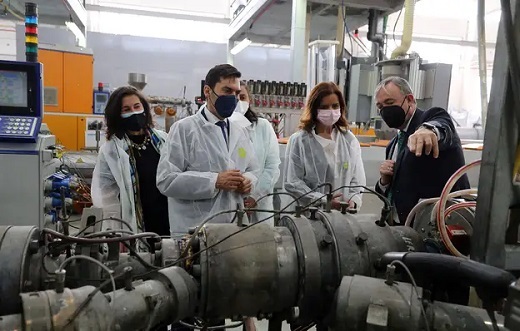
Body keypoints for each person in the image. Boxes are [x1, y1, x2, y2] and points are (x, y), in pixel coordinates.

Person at [156, 64, 258, 238]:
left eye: (235, 92)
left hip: (233, 230)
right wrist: (214, 181)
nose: (232, 97)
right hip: (194, 232)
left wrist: (248, 181)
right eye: (227, 90)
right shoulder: (184, 129)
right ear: (207, 91)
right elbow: (166, 180)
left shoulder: (240, 130)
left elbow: (252, 169)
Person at [374, 76, 470, 224]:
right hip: (403, 227)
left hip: (438, 225)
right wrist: (384, 181)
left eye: (390, 102)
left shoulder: (431, 117)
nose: (385, 110)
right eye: (380, 107)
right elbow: (394, 191)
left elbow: (443, 125)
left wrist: (429, 130)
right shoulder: (393, 144)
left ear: (410, 100)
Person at [91, 86, 170, 239]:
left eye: (136, 106)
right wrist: (116, 230)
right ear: (117, 115)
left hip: (167, 219)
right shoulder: (111, 151)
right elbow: (105, 197)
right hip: (134, 225)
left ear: (144, 108)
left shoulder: (163, 140)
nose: (134, 112)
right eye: (126, 109)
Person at [284, 81, 366, 210]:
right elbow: (293, 182)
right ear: (314, 109)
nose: (331, 111)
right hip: (307, 215)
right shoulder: (300, 141)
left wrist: (353, 201)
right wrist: (321, 200)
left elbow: (357, 180)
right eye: (324, 107)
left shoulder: (349, 140)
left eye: (335, 106)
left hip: (341, 215)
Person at [229, 81, 281, 226]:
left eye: (242, 97)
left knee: (261, 245)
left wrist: (254, 196)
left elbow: (272, 167)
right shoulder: (220, 129)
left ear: (249, 100)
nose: (238, 102)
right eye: (233, 97)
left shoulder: (263, 127)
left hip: (261, 206)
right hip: (229, 206)